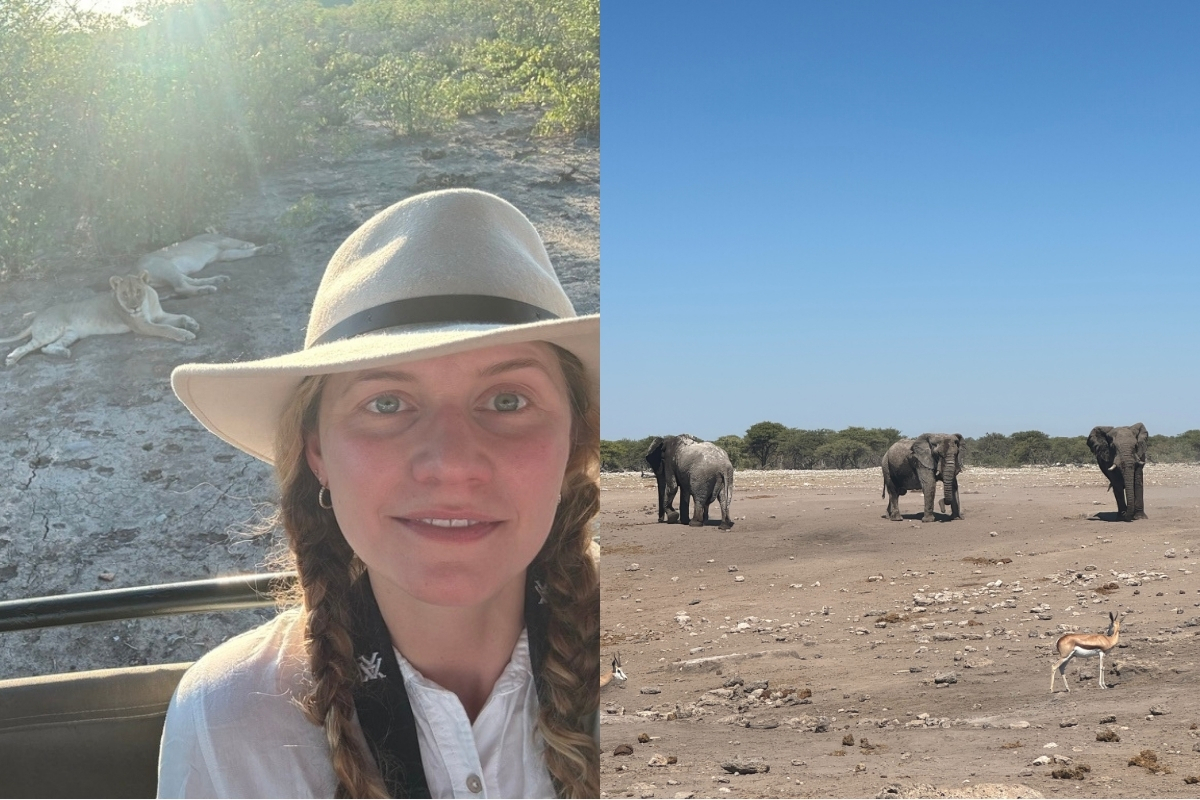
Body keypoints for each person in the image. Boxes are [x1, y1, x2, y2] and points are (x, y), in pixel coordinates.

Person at [157, 189, 599, 798]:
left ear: (575, 443)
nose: (450, 464)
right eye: (386, 403)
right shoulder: (230, 722)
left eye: (507, 401)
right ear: (318, 453)